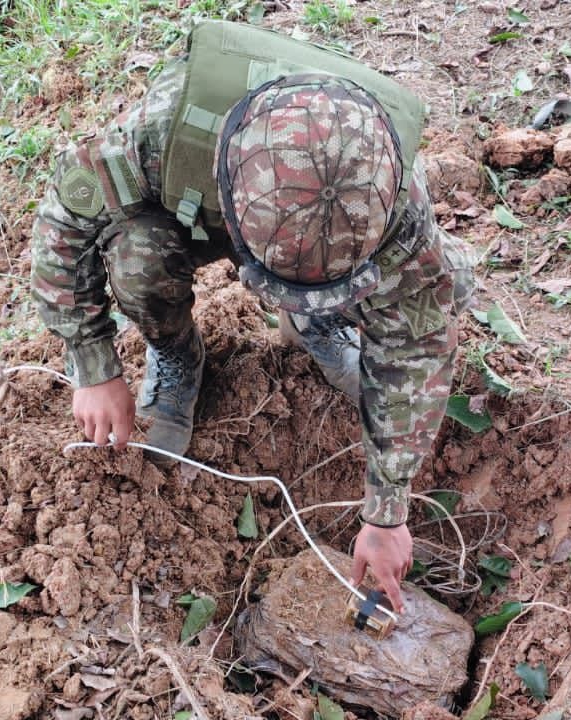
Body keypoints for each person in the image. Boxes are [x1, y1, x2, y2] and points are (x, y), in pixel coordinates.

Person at [30, 21, 475, 613]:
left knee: (442, 288)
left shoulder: (391, 199)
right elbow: (64, 219)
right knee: (138, 258)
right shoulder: (163, 134)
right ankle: (175, 353)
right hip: (196, 208)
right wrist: (93, 367)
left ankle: (317, 324)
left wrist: (387, 513)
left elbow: (418, 345)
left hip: (324, 233)